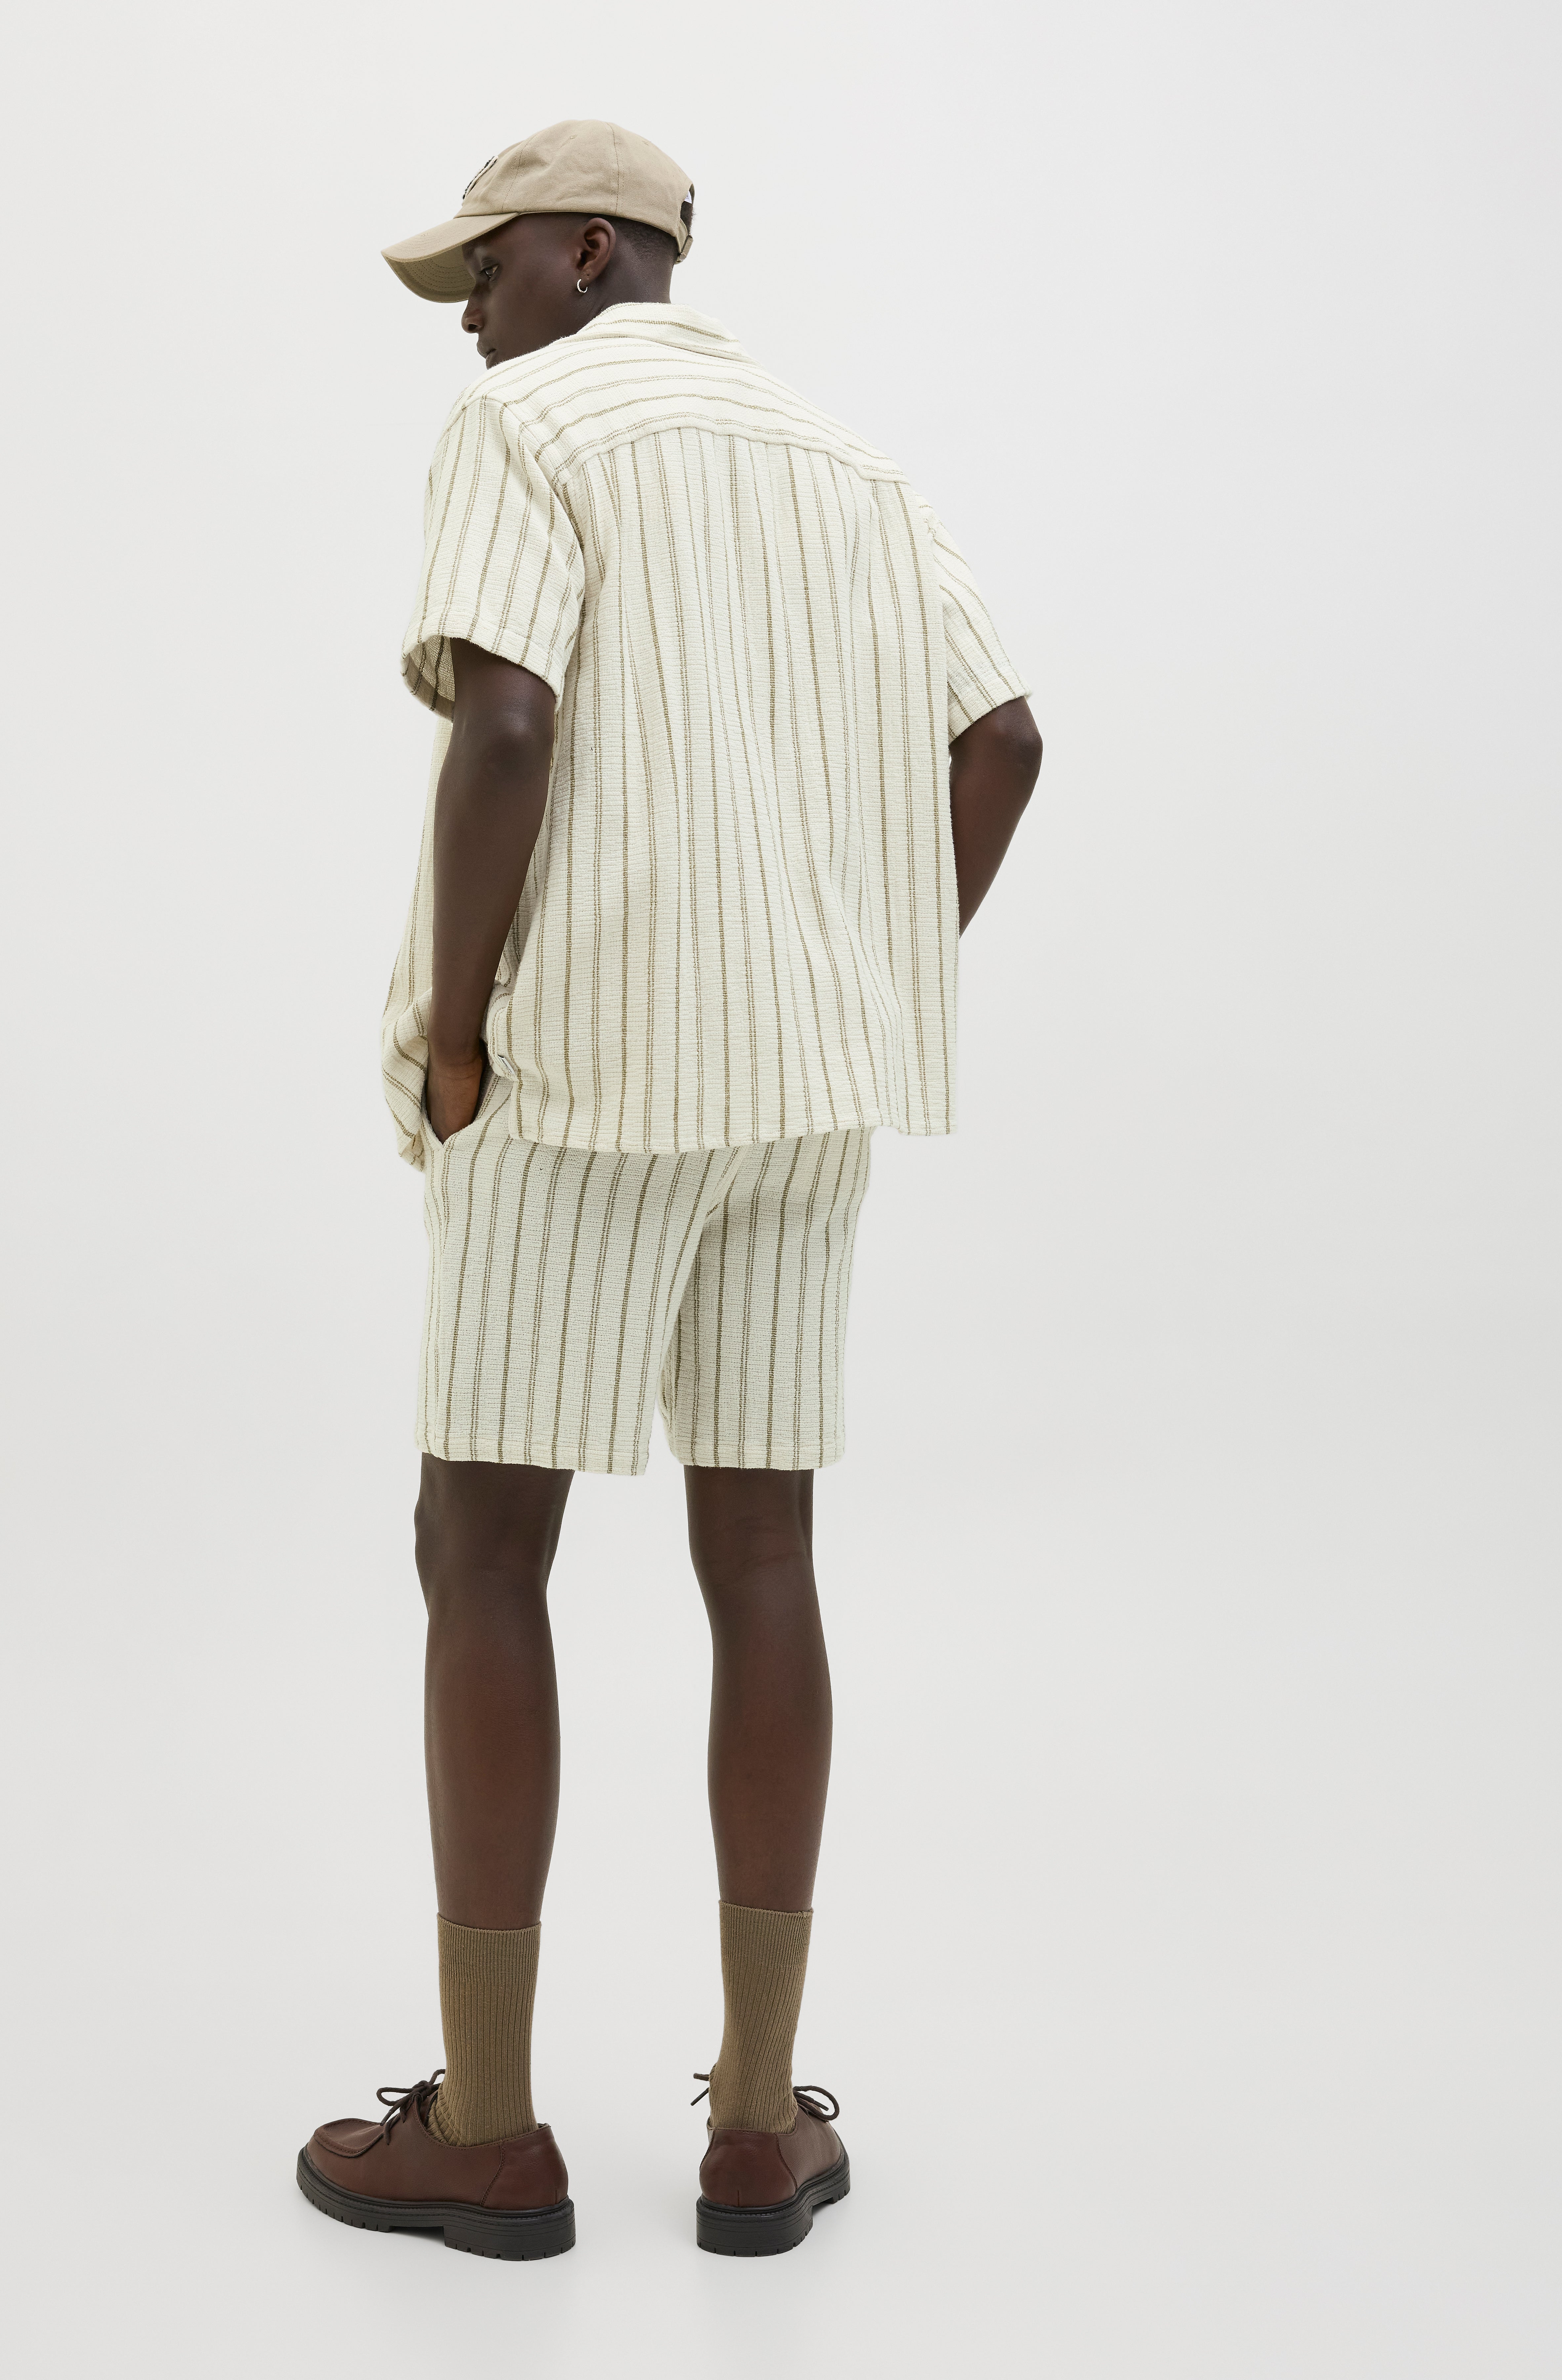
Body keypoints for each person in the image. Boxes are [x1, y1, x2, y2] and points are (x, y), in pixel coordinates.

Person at [296, 118, 1043, 2261]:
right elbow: (1001, 741)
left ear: (594, 251)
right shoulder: (849, 464)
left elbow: (506, 725)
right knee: (764, 1551)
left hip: (581, 1077)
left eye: (486, 271)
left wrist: (458, 1030)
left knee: (479, 1545)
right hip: (797, 1098)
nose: (469, 320)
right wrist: (860, 976)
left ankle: (488, 2132)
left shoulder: (536, 426)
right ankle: (754, 2123)